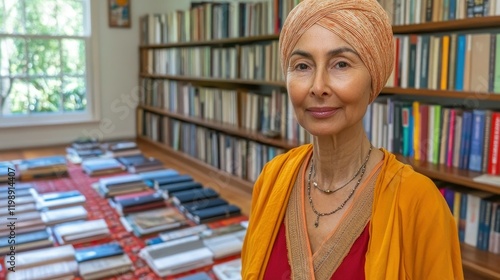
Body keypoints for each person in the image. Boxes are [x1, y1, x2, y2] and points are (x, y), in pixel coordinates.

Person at [240, 0, 464, 279]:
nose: (318, 86)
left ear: (374, 78)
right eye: (302, 66)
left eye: (341, 64)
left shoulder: (419, 203)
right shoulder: (272, 179)